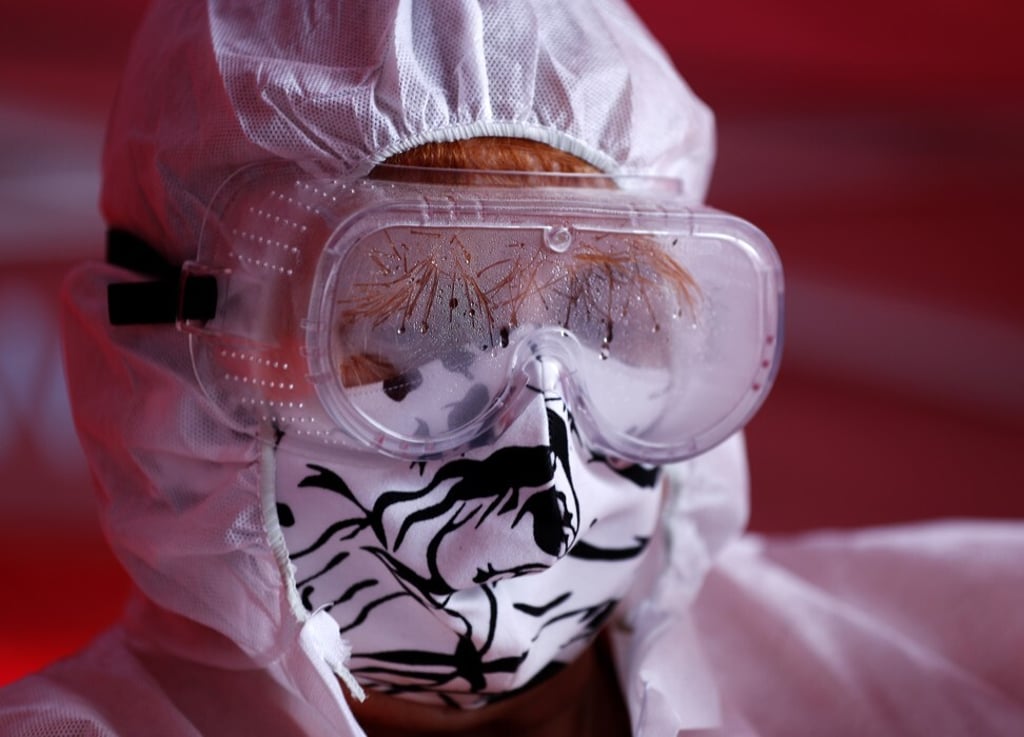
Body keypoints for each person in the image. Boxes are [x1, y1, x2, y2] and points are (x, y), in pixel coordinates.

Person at [3, 1, 1023, 736]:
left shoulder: (955, 658)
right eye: (413, 335)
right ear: (174, 356)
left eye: (616, 327)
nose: (546, 454)